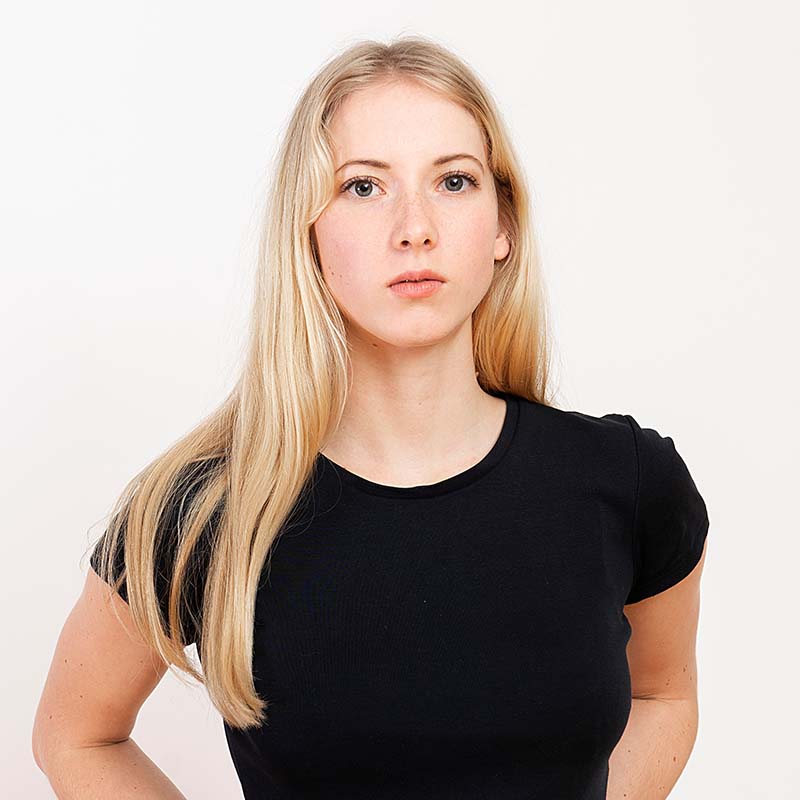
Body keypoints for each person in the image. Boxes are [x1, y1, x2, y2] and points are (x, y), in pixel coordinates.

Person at [32, 34, 710, 799]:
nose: (414, 226)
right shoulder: (208, 508)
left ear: (502, 226)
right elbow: (75, 734)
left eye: (453, 181)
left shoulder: (628, 481)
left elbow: (664, 694)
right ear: (308, 233)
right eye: (363, 186)